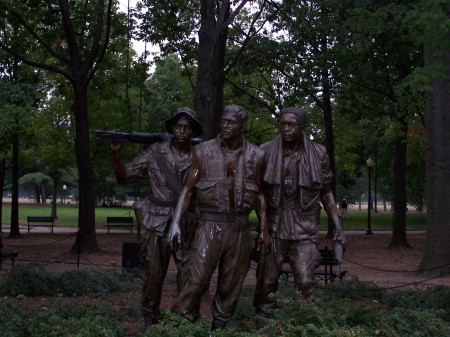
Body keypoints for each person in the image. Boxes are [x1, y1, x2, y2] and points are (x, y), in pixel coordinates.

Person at [167, 104, 271, 330]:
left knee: (231, 285)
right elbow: (189, 189)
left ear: (242, 126)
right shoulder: (203, 151)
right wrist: (175, 222)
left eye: (231, 122)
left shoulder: (257, 154)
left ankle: (220, 329)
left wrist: (264, 228)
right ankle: (183, 325)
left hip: (240, 228)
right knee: (195, 279)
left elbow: (260, 194)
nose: (225, 126)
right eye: (223, 121)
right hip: (209, 225)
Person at [111, 107, 202, 329]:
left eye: (187, 126)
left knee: (188, 274)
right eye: (178, 125)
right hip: (157, 221)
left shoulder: (201, 156)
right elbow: (124, 177)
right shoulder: (155, 153)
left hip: (186, 222)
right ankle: (150, 320)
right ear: (171, 128)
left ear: (193, 131)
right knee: (153, 275)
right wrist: (116, 154)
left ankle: (183, 319)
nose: (182, 130)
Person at [253, 106, 346, 316]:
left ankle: (306, 320)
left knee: (305, 278)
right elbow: (256, 192)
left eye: (291, 125)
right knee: (266, 279)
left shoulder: (319, 153)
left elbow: (326, 192)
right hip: (275, 222)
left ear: (302, 127)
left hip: (304, 223)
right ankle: (263, 320)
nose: (286, 129)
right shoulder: (264, 151)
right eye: (283, 124)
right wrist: (262, 228)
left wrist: (338, 226)